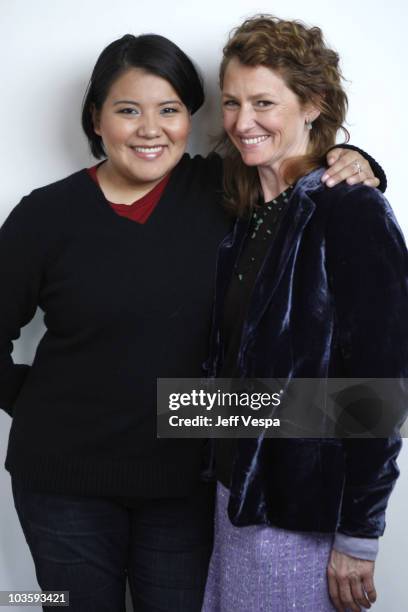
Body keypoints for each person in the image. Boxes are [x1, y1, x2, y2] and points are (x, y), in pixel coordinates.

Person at [0, 32, 383, 612]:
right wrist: (33, 401)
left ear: (188, 119)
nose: (149, 129)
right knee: (57, 603)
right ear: (97, 120)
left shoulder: (221, 189)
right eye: (127, 110)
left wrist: (355, 161)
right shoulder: (44, 214)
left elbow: (296, 172)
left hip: (185, 487)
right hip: (61, 486)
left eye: (170, 110)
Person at [202, 15, 408, 612]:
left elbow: (381, 382)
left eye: (264, 102)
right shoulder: (248, 213)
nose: (243, 122)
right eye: (232, 102)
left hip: (300, 516)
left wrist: (359, 536)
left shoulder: (349, 209)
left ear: (313, 104)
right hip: (230, 500)